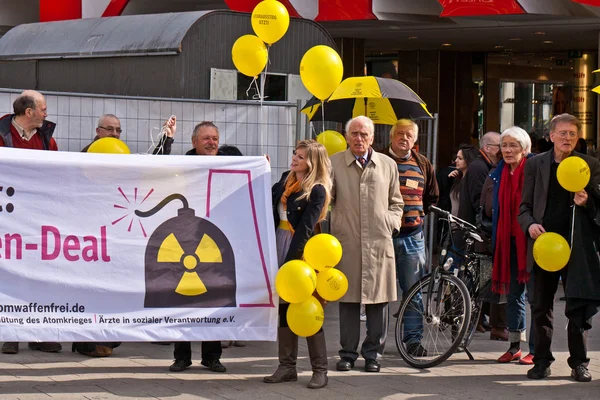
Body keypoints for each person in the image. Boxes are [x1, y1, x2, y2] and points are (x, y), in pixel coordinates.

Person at [519, 113, 600, 382]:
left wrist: (587, 201)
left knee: (576, 304)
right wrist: (530, 225)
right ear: (550, 136)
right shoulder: (535, 165)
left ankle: (579, 363)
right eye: (562, 133)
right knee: (541, 305)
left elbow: (599, 209)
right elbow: (524, 207)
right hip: (544, 246)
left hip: (577, 248)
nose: (567, 138)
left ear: (578, 137)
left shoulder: (589, 165)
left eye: (572, 134)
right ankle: (541, 361)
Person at [330, 116, 404, 373]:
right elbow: (327, 200)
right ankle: (347, 354)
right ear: (347, 136)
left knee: (378, 300)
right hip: (347, 240)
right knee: (348, 298)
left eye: (363, 134)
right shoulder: (335, 163)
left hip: (378, 240)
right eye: (354, 134)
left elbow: (397, 202)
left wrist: (390, 223)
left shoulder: (388, 164)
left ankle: (373, 354)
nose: (358, 139)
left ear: (372, 138)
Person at [264, 140, 332, 389]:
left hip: (301, 251)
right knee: (284, 307)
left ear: (312, 163)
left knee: (307, 308)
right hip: (278, 243)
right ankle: (287, 367)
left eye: (301, 157)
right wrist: (263, 171)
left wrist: (292, 263)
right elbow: (267, 201)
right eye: (295, 154)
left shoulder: (317, 190)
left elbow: (305, 229)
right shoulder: (284, 179)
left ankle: (320, 370)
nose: (294, 159)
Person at [0, 90, 61, 354]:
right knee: (10, 274)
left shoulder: (47, 139)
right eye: (43, 109)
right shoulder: (1, 135)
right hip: (7, 217)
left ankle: (39, 332)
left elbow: (57, 171)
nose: (46, 114)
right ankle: (11, 332)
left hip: (38, 216)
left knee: (40, 273)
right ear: (29, 112)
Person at [169, 121, 226, 373]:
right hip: (185, 241)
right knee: (183, 300)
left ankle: (212, 356)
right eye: (206, 138)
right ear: (194, 142)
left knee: (213, 298)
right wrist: (167, 138)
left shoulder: (229, 163)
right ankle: (182, 357)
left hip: (215, 242)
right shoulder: (182, 166)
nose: (211, 142)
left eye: (215, 138)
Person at [380, 119, 439, 357]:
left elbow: (432, 196)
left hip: (413, 237)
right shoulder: (380, 160)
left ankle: (412, 341)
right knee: (379, 292)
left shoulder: (423, 163)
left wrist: (416, 215)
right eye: (400, 134)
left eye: (409, 135)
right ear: (392, 136)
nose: (404, 138)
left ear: (415, 140)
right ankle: (376, 342)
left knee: (414, 291)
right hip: (383, 236)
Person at [482, 127, 535, 365]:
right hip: (508, 242)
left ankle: (535, 348)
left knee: (536, 297)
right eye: (504, 145)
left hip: (532, 241)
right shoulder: (499, 172)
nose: (508, 150)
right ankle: (514, 346)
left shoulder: (534, 170)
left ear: (525, 148)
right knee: (513, 296)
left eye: (513, 145)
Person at [82, 114, 175, 154]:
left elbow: (154, 167)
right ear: (98, 131)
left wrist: (167, 137)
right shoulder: (86, 153)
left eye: (118, 130)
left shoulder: (121, 151)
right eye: (109, 129)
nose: (114, 133)